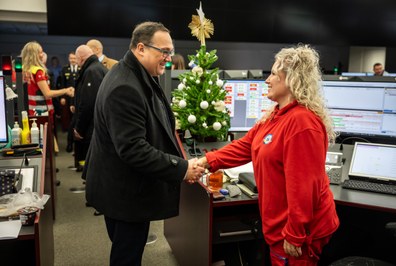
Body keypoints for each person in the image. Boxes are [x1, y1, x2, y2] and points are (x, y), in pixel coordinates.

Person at [196, 44, 340, 265]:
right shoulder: (276, 115)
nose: (267, 80)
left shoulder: (302, 123)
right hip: (279, 225)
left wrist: (295, 233)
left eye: (273, 73)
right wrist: (206, 162)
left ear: (291, 79)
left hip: (300, 232)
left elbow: (303, 186)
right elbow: (245, 146)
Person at [83, 21, 205, 265]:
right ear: (141, 48)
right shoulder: (125, 87)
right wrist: (182, 168)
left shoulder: (137, 74)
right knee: (126, 256)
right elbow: (133, 149)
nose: (168, 58)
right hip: (125, 193)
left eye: (170, 51)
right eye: (164, 51)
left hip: (121, 186)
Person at [72, 45, 108, 173]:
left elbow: (88, 103)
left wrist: (79, 128)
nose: (76, 62)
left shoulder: (92, 71)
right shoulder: (97, 68)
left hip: (93, 125)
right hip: (98, 123)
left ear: (81, 58)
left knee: (95, 167)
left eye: (76, 59)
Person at [21, 41, 74, 117]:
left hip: (30, 110)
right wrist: (66, 91)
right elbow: (47, 94)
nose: (42, 55)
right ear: (34, 55)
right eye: (40, 52)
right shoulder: (38, 71)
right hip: (42, 111)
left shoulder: (26, 70)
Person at [59, 51, 80, 152]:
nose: (73, 60)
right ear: (68, 59)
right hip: (67, 98)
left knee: (76, 121)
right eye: (71, 58)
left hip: (78, 97)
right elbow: (62, 83)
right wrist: (62, 97)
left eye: (74, 58)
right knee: (69, 121)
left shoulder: (81, 68)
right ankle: (69, 143)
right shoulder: (65, 69)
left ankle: (76, 144)